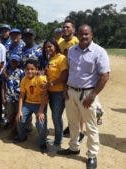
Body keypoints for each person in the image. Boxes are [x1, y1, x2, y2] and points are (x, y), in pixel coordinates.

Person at [57, 24, 110, 169]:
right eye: (81, 34)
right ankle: (74, 147)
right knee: (73, 122)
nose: (84, 36)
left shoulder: (99, 51)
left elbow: (105, 76)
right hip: (71, 92)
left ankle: (92, 155)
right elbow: (68, 71)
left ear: (91, 35)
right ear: (77, 35)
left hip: (87, 94)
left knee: (91, 126)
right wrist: (65, 88)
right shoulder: (72, 51)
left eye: (86, 34)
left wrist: (92, 95)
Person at [15, 59, 48, 153]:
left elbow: (45, 96)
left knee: (41, 122)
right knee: (19, 118)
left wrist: (41, 111)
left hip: (39, 104)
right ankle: (22, 137)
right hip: (28, 103)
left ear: (36, 69)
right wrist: (19, 111)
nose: (30, 71)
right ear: (25, 70)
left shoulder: (41, 79)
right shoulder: (24, 80)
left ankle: (42, 143)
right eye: (27, 69)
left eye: (32, 69)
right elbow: (21, 96)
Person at [43, 39, 68, 151]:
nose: (48, 49)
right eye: (46, 47)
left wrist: (52, 83)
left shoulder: (61, 58)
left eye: (50, 46)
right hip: (50, 92)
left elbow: (64, 75)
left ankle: (58, 141)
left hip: (58, 92)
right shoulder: (50, 58)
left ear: (56, 46)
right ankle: (58, 138)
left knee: (56, 117)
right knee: (54, 116)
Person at [1, 54, 24, 137]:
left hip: (18, 97)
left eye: (15, 61)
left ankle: (15, 131)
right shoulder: (6, 72)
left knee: (18, 113)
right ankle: (12, 127)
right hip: (9, 97)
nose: (13, 63)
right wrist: (3, 97)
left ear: (18, 63)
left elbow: (24, 85)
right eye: (12, 61)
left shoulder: (21, 72)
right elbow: (3, 85)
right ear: (9, 62)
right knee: (10, 113)